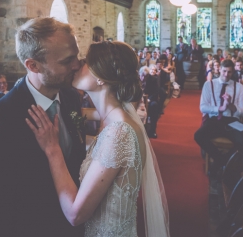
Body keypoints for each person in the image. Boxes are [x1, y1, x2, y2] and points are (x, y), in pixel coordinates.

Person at [26, 40, 169, 237]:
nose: (76, 65)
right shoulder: (115, 121)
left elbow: (75, 214)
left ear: (100, 76)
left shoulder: (118, 133)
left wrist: (53, 150)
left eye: (84, 61)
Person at [0, 17, 87, 237]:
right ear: (33, 65)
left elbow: (76, 152)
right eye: (67, 60)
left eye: (77, 56)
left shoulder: (71, 97)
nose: (77, 65)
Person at [194, 59, 243, 172]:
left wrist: (232, 106)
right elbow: (203, 107)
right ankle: (223, 161)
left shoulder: (239, 87)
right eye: (224, 71)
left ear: (233, 72)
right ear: (219, 70)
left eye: (229, 72)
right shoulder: (209, 84)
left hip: (233, 121)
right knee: (198, 136)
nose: (226, 74)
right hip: (215, 119)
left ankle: (221, 162)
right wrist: (220, 108)